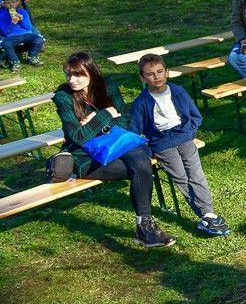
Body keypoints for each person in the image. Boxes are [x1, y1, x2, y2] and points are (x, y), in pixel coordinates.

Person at [53, 53, 174, 247]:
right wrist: (105, 114)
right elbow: (78, 137)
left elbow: (126, 120)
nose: (72, 80)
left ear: (91, 72)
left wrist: (92, 122)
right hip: (86, 157)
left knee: (141, 162)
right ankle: (145, 228)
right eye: (69, 75)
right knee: (141, 169)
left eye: (78, 75)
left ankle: (144, 226)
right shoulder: (63, 97)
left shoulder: (107, 86)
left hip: (117, 143)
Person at [128, 54, 230, 237]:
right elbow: (135, 131)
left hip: (184, 138)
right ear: (142, 78)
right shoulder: (141, 103)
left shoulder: (178, 91)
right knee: (182, 178)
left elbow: (195, 116)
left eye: (160, 72)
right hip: (162, 145)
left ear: (167, 72)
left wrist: (189, 133)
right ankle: (206, 216)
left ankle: (208, 213)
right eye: (150, 74)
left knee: (196, 174)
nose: (156, 77)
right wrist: (151, 146)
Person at [0, 0, 44, 69]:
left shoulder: (22, 12)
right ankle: (15, 62)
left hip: (26, 34)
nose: (11, 5)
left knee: (39, 40)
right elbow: (5, 33)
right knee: (6, 44)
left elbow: (28, 28)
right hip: (12, 36)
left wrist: (22, 19)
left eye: (13, 2)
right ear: (3, 4)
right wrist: (13, 23)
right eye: (8, 3)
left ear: (17, 2)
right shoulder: (1, 15)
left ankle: (32, 57)